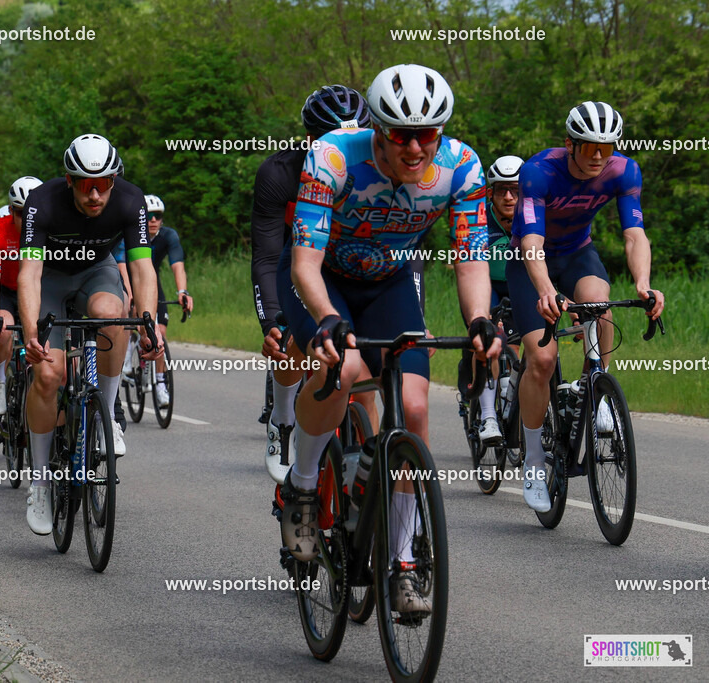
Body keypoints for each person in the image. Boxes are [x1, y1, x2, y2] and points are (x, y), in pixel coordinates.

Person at [282, 64, 500, 614]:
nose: (414, 147)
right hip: (324, 280)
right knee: (344, 370)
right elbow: (304, 261)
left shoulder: (462, 167)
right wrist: (328, 317)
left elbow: (470, 255)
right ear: (377, 129)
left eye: (427, 134)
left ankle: (402, 560)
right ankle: (302, 487)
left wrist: (479, 319)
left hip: (389, 282)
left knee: (415, 406)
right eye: (401, 135)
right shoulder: (333, 157)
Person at [508, 101, 664, 512]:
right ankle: (535, 462)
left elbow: (635, 235)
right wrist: (545, 289)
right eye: (589, 146)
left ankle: (597, 388)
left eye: (606, 147)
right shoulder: (538, 172)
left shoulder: (624, 170)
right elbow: (531, 242)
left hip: (577, 254)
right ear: (570, 144)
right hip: (532, 262)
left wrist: (644, 284)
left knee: (599, 301)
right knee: (541, 360)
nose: (598, 155)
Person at [18, 134, 162, 535]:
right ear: (69, 180)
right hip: (50, 280)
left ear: (115, 179)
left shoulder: (131, 201)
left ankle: (108, 414)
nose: (95, 194)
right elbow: (28, 273)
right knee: (48, 374)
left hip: (96, 273)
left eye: (103, 184)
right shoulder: (41, 203)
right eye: (85, 184)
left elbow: (142, 268)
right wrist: (31, 332)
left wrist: (148, 320)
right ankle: (41, 480)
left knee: (112, 315)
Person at [250, 84, 373, 484]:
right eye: (332, 139)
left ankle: (366, 470)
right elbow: (268, 256)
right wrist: (271, 319)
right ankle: (282, 417)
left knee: (364, 371)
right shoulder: (279, 174)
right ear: (310, 140)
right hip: (297, 262)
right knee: (293, 345)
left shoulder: (380, 174)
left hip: (352, 263)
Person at [116, 194, 193, 405]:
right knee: (132, 312)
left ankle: (160, 383)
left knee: (161, 333)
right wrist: (130, 294)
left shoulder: (168, 236)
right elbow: (122, 266)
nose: (153, 220)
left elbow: (178, 265)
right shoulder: (130, 235)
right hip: (127, 280)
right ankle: (129, 356)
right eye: (149, 216)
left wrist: (182, 292)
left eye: (157, 216)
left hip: (151, 283)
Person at [0, 176, 44, 414]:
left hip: (36, 290)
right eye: (20, 213)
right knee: (3, 328)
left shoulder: (50, 231)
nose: (27, 220)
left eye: (33, 214)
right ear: (10, 210)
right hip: (5, 291)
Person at [476, 155, 524, 445]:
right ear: (490, 193)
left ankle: (512, 398)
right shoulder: (479, 217)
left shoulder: (534, 216)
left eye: (516, 190)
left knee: (518, 349)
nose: (509, 197)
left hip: (517, 284)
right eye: (501, 190)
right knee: (487, 341)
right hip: (486, 284)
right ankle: (487, 416)